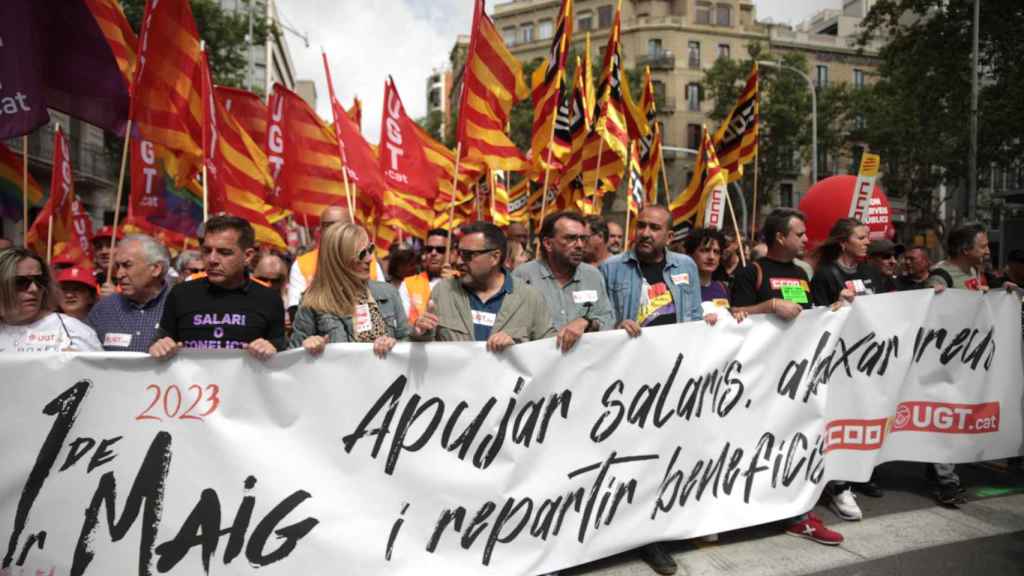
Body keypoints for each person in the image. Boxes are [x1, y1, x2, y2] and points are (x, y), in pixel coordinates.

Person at [598, 205, 706, 576]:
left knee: (669, 455)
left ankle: (665, 526)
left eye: (654, 228)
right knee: (635, 458)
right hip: (629, 382)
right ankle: (644, 536)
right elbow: (600, 320)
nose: (644, 232)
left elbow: (690, 318)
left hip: (673, 379)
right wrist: (615, 325)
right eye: (640, 225)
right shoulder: (611, 268)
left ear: (668, 235)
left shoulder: (686, 267)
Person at [731, 208, 847, 546]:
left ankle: (797, 512)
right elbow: (734, 319)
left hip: (796, 378)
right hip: (758, 380)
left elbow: (810, 319)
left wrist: (835, 309)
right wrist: (768, 306)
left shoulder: (801, 273)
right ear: (780, 237)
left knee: (795, 443)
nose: (806, 239)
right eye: (799, 234)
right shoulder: (749, 272)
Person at [924, 223, 1018, 505]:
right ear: (966, 250)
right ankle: (946, 482)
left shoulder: (975, 273)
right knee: (947, 417)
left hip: (970, 360)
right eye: (983, 246)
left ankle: (938, 469)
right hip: (947, 363)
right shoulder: (940, 275)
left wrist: (1001, 290)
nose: (988, 250)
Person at [809, 218, 888, 518]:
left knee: (862, 416)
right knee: (838, 419)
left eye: (868, 237)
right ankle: (838, 486)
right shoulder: (826, 275)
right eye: (861, 237)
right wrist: (836, 304)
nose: (868, 241)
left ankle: (857, 475)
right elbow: (817, 318)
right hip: (839, 360)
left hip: (868, 358)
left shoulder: (870, 272)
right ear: (843, 242)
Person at [149, 215, 285, 360]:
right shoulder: (181, 294)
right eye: (207, 251)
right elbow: (159, 344)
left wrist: (271, 349)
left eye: (224, 252)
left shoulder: (269, 299)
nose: (212, 259)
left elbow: (283, 358)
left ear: (247, 256)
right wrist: (159, 346)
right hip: (193, 383)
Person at [412, 222, 554, 350]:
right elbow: (423, 356)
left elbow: (548, 353)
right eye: (459, 253)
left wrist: (516, 350)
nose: (460, 261)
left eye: (468, 255)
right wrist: (420, 334)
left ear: (495, 257)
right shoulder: (443, 291)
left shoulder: (529, 298)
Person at [290, 223, 409, 356]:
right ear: (339, 259)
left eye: (370, 249)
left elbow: (408, 345)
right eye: (362, 254)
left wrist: (420, 334)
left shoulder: (388, 293)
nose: (370, 258)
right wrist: (308, 345)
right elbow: (293, 358)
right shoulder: (312, 301)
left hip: (387, 376)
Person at [514, 211, 614, 352]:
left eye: (583, 238)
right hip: (539, 365)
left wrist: (586, 322)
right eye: (571, 238)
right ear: (548, 243)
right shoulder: (523, 276)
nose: (579, 245)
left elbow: (608, 319)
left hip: (583, 365)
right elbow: (512, 327)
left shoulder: (593, 276)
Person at [0, 247, 101, 352]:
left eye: (40, 281)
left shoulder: (73, 330)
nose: (34, 289)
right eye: (20, 282)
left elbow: (100, 368)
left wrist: (81, 366)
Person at [287, 205, 384, 309]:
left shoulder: (370, 263)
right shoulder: (302, 264)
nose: (334, 231)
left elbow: (385, 305)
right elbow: (296, 310)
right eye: (328, 226)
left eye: (340, 226)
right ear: (320, 230)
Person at [88, 234, 172, 352]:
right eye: (117, 266)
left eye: (127, 265)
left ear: (156, 269)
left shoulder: (181, 305)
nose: (119, 274)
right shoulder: (103, 310)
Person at [683, 228, 746, 321]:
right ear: (690, 254)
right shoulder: (680, 289)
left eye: (716, 252)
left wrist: (736, 317)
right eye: (705, 250)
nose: (711, 257)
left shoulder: (722, 288)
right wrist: (699, 322)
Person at [400, 229, 448, 322]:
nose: (433, 253)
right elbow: (402, 323)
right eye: (429, 249)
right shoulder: (408, 283)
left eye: (440, 250)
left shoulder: (461, 283)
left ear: (452, 253)